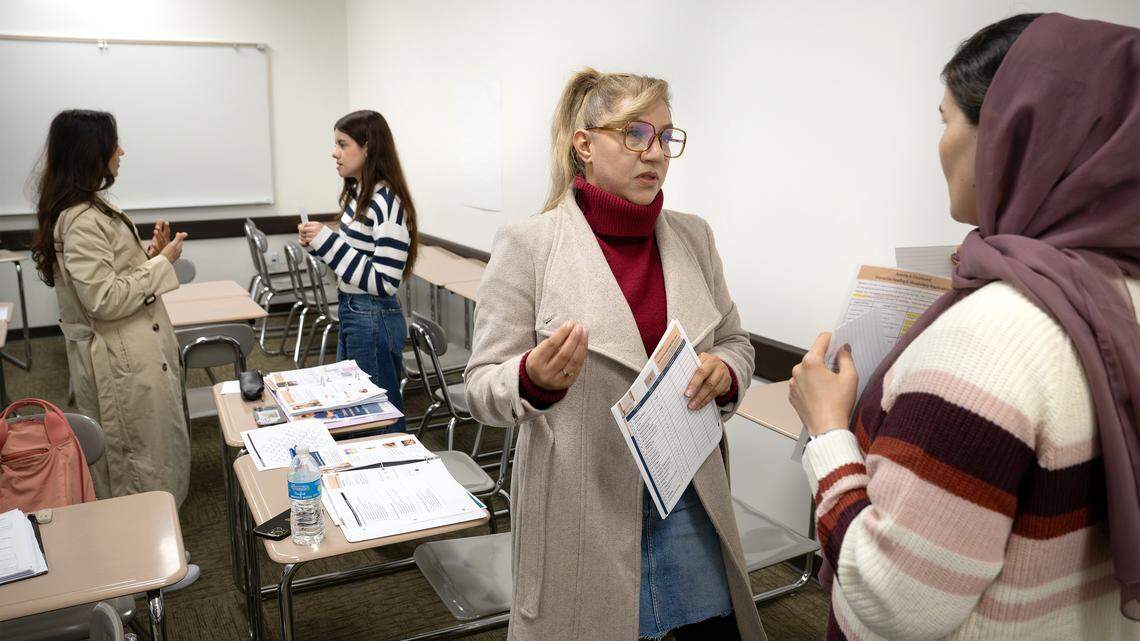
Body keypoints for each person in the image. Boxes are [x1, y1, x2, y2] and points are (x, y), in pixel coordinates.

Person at [788, 13, 1140, 641]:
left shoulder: (989, 337)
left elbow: (894, 604)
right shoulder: (1121, 300)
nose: (941, 142)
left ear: (1008, 135)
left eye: (946, 119)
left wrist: (826, 431)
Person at [464, 69, 765, 640]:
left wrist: (725, 373)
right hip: (583, 508)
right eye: (635, 134)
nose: (654, 153)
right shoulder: (530, 244)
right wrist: (531, 379)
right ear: (584, 143)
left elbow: (735, 342)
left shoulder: (694, 237)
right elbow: (481, 387)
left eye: (665, 137)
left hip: (689, 500)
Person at [31, 109, 191, 504]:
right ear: (92, 152)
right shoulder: (82, 219)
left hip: (132, 350)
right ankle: (149, 553)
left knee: (154, 450)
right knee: (136, 464)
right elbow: (103, 299)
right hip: (120, 359)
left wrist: (147, 255)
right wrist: (161, 262)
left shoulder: (91, 208)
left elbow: (110, 275)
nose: (121, 151)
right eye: (113, 143)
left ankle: (159, 540)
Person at [298, 110, 418, 431]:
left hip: (373, 315)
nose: (333, 152)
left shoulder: (386, 201)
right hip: (355, 311)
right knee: (356, 410)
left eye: (342, 143)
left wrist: (328, 241)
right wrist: (321, 243)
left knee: (377, 419)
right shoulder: (359, 195)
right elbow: (353, 264)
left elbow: (384, 281)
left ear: (367, 147)